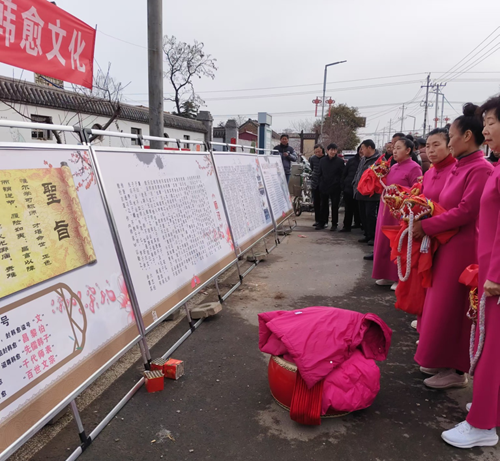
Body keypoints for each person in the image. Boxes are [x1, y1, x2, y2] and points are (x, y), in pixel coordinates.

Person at [413, 103, 494, 389]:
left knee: (455, 308)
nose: (449, 140)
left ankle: (456, 370)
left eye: (450, 135)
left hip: (463, 248)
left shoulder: (480, 169)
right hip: (445, 243)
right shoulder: (462, 167)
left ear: (467, 136)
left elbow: (466, 211)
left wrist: (427, 226)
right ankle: (440, 358)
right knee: (440, 306)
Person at [441, 96, 500, 449]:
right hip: (490, 270)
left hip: (496, 278)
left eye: (492, 121)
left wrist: (495, 275)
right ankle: (488, 407)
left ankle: (481, 425)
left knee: (491, 349)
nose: (487, 129)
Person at [411, 129, 456, 331]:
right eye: (427, 146)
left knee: (441, 289)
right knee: (425, 281)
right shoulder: (429, 173)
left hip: (448, 236)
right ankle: (425, 324)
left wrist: (428, 225)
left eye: (436, 145)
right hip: (427, 236)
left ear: (450, 145)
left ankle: (434, 331)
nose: (430, 150)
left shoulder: (456, 170)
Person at [372, 138, 422, 289]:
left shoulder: (414, 168)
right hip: (386, 209)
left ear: (408, 150)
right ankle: (385, 274)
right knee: (384, 241)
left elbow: (417, 191)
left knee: (398, 241)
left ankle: (398, 277)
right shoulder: (392, 167)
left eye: (398, 148)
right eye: (394, 148)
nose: (394, 151)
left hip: (400, 212)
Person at [353, 139, 382, 259]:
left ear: (370, 147)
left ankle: (372, 236)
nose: (362, 151)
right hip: (360, 191)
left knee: (370, 214)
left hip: (372, 193)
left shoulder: (379, 160)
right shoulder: (364, 159)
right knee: (363, 215)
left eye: (363, 148)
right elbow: (358, 173)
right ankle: (367, 234)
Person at [316, 143, 345, 231]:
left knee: (334, 206)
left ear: (336, 151)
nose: (332, 152)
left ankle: (334, 224)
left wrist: (340, 184)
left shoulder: (340, 161)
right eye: (331, 150)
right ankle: (322, 222)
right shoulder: (322, 161)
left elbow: (342, 175)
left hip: (335, 187)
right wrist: (320, 183)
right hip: (324, 185)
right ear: (327, 150)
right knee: (323, 205)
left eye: (334, 150)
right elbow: (319, 173)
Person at [340, 145, 362, 232]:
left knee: (359, 209)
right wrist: (343, 184)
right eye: (360, 149)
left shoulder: (369, 162)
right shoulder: (352, 161)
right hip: (349, 187)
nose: (361, 151)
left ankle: (359, 224)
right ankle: (346, 226)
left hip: (362, 189)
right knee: (348, 208)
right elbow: (344, 173)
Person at [309, 144, 325, 227]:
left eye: (319, 151)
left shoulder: (325, 158)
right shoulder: (312, 158)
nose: (317, 153)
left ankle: (323, 221)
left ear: (322, 150)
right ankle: (317, 220)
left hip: (323, 183)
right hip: (315, 183)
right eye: (316, 152)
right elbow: (312, 168)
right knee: (316, 203)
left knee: (323, 203)